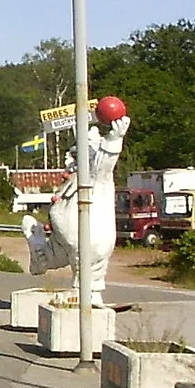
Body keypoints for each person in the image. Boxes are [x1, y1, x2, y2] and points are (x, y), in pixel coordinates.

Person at [22, 114, 130, 305]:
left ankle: (89, 293)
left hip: (90, 242)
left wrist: (113, 140)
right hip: (65, 242)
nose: (68, 160)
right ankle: (43, 258)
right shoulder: (75, 180)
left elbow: (104, 163)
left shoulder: (96, 178)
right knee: (30, 226)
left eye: (75, 155)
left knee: (89, 272)